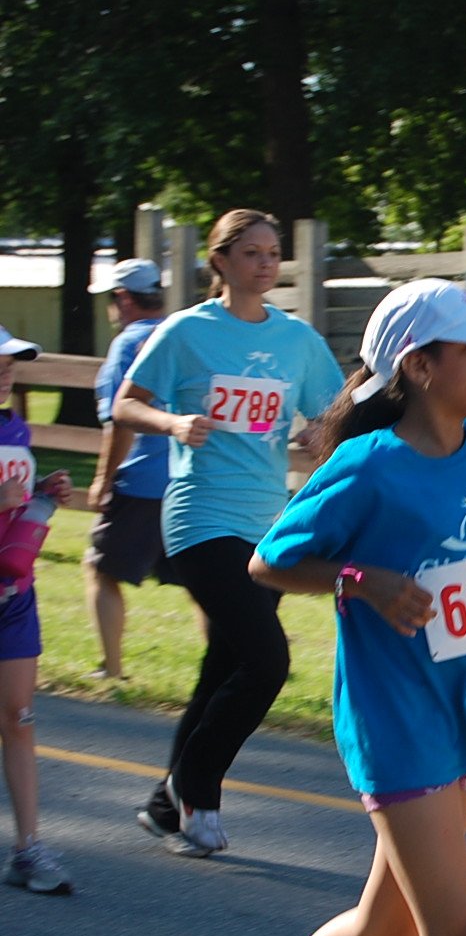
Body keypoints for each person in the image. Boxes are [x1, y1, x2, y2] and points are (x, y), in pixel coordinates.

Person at [250, 279, 466, 936]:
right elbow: (267, 561)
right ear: (420, 366)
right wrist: (357, 580)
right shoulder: (369, 466)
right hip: (395, 720)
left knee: (383, 929)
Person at [113, 209, 344, 858]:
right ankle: (197, 788)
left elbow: (332, 414)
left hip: (265, 523)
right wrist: (172, 423)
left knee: (222, 669)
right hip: (198, 518)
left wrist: (317, 432)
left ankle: (165, 805)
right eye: (251, 253)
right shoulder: (186, 332)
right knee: (267, 660)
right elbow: (126, 404)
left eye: (273, 253)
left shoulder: (297, 341)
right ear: (220, 261)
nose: (265, 264)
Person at [0, 326, 75, 894]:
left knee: (19, 720)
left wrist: (43, 495)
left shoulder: (15, 427)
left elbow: (14, 519)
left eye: (12, 361)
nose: (8, 369)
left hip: (12, 600)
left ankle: (28, 850)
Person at [83, 259, 182, 680]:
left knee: (100, 568)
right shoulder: (183, 335)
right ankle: (231, 668)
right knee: (205, 581)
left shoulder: (128, 344)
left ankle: (113, 669)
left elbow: (120, 420)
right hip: (188, 481)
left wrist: (104, 481)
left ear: (123, 298)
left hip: (141, 482)